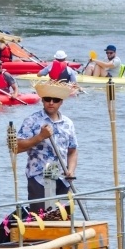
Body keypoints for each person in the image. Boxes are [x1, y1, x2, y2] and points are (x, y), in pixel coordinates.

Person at [16, 82, 78, 214]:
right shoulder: (32, 121)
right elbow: (16, 148)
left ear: (61, 102)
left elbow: (72, 150)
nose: (51, 103)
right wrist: (40, 137)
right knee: (40, 220)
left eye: (55, 100)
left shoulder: (68, 123)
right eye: (47, 99)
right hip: (39, 178)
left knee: (63, 220)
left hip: (62, 178)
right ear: (42, 100)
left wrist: (71, 171)